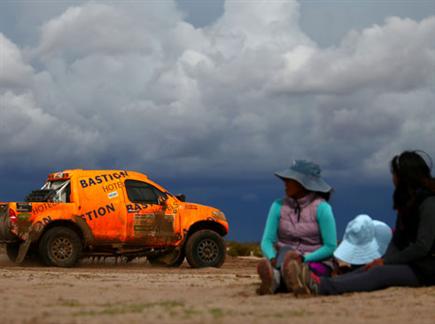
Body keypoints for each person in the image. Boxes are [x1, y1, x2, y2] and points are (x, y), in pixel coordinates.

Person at [285, 150, 435, 296]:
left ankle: (321, 286)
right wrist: (382, 260)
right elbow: (397, 242)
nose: (393, 178)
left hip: (427, 269)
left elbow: (422, 246)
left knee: (379, 272)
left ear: (404, 177)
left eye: (394, 174)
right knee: (369, 267)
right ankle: (321, 281)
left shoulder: (429, 203)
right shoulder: (407, 204)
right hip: (415, 264)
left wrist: (386, 262)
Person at [256, 160, 337, 295]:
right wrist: (271, 257)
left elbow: (330, 246)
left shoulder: (323, 208)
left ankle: (280, 279)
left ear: (303, 184)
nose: (285, 184)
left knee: (305, 269)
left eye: (290, 180)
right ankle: (284, 278)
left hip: (315, 260)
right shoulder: (277, 206)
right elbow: (267, 241)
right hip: (282, 259)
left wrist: (304, 258)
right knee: (285, 263)